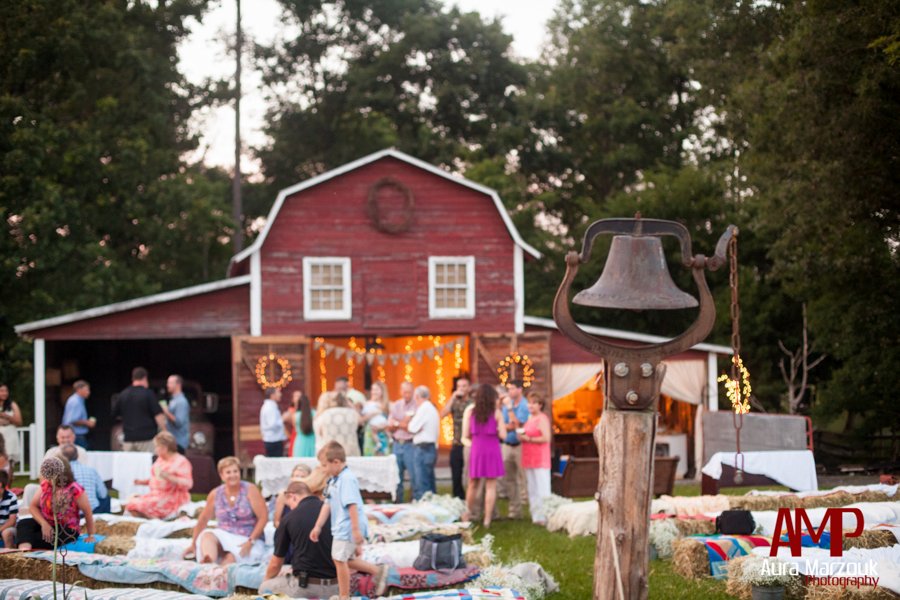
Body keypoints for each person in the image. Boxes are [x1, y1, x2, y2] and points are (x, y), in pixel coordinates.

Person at [311, 442, 388, 600]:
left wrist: (355, 530)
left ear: (336, 462)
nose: (323, 469)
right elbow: (327, 504)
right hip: (341, 526)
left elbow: (352, 505)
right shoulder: (333, 479)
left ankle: (344, 596)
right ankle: (378, 571)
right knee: (346, 559)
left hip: (347, 526)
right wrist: (318, 526)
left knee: (339, 559)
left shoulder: (347, 479)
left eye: (324, 465)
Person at [260, 480, 339, 598]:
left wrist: (265, 580)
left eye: (289, 504)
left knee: (264, 588)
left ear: (292, 496)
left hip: (306, 588)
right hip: (336, 586)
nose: (291, 508)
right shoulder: (332, 511)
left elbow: (275, 564)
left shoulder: (289, 518)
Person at [187, 456, 268, 564]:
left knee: (232, 556)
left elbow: (263, 517)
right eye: (228, 472)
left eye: (235, 471)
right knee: (207, 535)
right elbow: (203, 519)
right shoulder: (216, 493)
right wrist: (193, 544)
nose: (233, 475)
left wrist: (251, 541)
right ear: (221, 475)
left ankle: (220, 571)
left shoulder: (250, 490)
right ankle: (208, 562)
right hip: (225, 534)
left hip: (247, 537)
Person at [18, 456, 95, 550]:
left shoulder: (75, 489)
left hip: (66, 529)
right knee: (24, 523)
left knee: (38, 538)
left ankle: (26, 546)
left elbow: (88, 512)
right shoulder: (46, 485)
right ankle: (23, 551)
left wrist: (91, 535)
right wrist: (44, 524)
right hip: (47, 522)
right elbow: (33, 507)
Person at [463, 384, 506, 528]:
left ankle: (466, 515)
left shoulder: (471, 413)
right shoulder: (497, 413)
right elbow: (503, 435)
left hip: (477, 449)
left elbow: (466, 434)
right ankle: (487, 520)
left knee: (472, 484)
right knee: (491, 486)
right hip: (492, 449)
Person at [125, 432, 193, 519]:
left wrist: (169, 477)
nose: (155, 450)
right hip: (155, 494)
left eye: (157, 447)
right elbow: (156, 478)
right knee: (131, 501)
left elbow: (188, 484)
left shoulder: (181, 462)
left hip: (172, 497)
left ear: (164, 448)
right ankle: (150, 520)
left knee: (139, 505)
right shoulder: (160, 459)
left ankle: (155, 521)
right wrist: (142, 482)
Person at [112, 367, 165, 452]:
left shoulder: (123, 394)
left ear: (133, 378)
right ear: (145, 378)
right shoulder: (148, 394)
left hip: (128, 438)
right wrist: (164, 432)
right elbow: (158, 415)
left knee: (130, 464)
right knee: (147, 463)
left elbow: (115, 414)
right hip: (147, 439)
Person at [520, 392, 552, 525]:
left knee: (543, 488)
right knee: (532, 488)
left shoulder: (542, 418)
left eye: (534, 403)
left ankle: (546, 516)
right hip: (529, 456)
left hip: (540, 457)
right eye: (529, 402)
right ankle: (536, 516)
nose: (530, 405)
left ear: (540, 405)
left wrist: (529, 439)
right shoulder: (529, 418)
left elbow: (546, 438)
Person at [402, 385, 439, 500]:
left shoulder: (424, 408)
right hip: (430, 448)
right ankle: (433, 509)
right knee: (429, 482)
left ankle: (425, 511)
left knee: (422, 484)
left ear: (417, 396)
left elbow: (412, 428)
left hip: (423, 449)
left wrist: (409, 422)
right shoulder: (432, 408)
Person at [500, 379, 529, 519]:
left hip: (520, 446)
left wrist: (511, 414)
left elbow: (517, 424)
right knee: (509, 478)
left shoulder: (524, 405)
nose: (509, 391)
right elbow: (504, 424)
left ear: (519, 390)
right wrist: (509, 425)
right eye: (508, 389)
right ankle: (514, 510)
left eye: (512, 388)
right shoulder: (506, 405)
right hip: (507, 444)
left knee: (523, 477)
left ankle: (527, 506)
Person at [440, 377, 472, 499]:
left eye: (464, 386)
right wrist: (452, 397)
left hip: (469, 443)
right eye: (459, 386)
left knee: (469, 474)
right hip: (456, 443)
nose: (461, 389)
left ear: (468, 388)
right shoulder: (454, 402)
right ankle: (459, 498)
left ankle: (470, 499)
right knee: (456, 474)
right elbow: (442, 414)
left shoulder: (472, 403)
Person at [386, 381, 416, 502]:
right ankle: (398, 502)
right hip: (397, 444)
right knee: (396, 477)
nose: (407, 394)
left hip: (410, 444)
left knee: (414, 475)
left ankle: (413, 501)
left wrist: (398, 423)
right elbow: (389, 426)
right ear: (401, 391)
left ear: (413, 392)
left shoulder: (416, 405)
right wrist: (402, 423)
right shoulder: (396, 405)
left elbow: (410, 426)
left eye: (409, 392)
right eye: (404, 392)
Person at [61, 443, 110, 514]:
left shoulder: (61, 472)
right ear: (77, 455)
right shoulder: (91, 470)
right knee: (106, 498)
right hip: (92, 510)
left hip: (71, 512)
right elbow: (103, 494)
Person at [274, 463, 312, 528]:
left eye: (303, 477)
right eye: (296, 476)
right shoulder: (283, 495)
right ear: (292, 478)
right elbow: (276, 521)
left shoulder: (312, 496)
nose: (299, 479)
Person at [161, 374, 190, 454]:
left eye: (170, 383)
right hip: (172, 442)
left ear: (178, 385)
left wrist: (166, 411)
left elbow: (179, 422)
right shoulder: (173, 400)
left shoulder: (181, 402)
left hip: (178, 443)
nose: (167, 385)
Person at [61, 380, 94, 449]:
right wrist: (87, 423)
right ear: (79, 390)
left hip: (77, 435)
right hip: (76, 435)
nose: (88, 392)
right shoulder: (75, 402)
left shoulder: (79, 400)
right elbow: (72, 420)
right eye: (86, 390)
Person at [361, 381, 390, 457]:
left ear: (382, 391)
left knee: (383, 458)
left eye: (376, 389)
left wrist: (383, 426)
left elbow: (391, 421)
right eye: (373, 389)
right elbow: (361, 421)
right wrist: (372, 414)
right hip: (370, 433)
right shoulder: (367, 403)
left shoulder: (387, 405)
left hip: (383, 433)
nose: (374, 392)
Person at [0, 384, 23, 468]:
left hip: (10, 436)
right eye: (1, 391)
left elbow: (19, 422)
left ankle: (9, 478)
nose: (4, 393)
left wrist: (7, 417)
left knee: (9, 461)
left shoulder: (12, 405)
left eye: (6, 391)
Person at [287, 391, 316, 457]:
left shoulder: (295, 415)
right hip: (312, 440)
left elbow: (294, 427)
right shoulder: (315, 413)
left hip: (300, 441)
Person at [260, 387, 287, 457]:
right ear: (272, 395)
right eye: (278, 393)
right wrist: (283, 419)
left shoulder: (271, 406)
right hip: (273, 441)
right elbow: (272, 425)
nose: (280, 394)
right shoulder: (269, 407)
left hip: (274, 440)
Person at [0, 470, 18, 548]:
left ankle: (8, 557)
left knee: (7, 533)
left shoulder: (11, 497)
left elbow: (12, 521)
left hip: (8, 526)